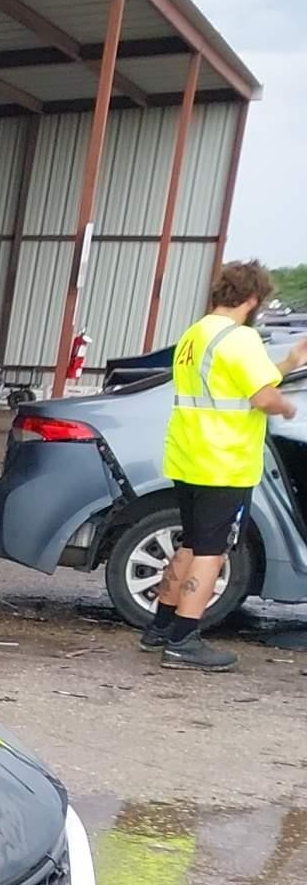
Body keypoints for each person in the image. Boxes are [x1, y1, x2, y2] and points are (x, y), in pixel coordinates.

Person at [148, 259, 306, 671]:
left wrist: (290, 362)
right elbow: (261, 397)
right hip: (225, 461)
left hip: (189, 455)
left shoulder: (196, 335)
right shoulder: (241, 339)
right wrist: (286, 407)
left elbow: (238, 382)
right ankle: (184, 640)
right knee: (211, 552)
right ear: (253, 299)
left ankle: (160, 627)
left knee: (192, 543)